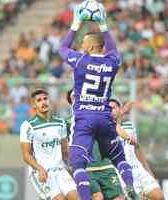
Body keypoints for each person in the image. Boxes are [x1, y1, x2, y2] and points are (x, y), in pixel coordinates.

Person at [58, 4, 136, 200]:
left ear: (92, 46)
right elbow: (113, 49)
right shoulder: (113, 62)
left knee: (78, 164)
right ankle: (130, 187)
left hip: (84, 118)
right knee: (119, 157)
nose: (82, 45)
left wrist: (76, 24)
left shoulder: (80, 60)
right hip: (104, 117)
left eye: (84, 43)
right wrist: (103, 24)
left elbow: (62, 48)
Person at [66, 90, 126, 200]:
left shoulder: (99, 115)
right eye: (74, 97)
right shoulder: (68, 123)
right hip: (87, 169)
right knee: (98, 197)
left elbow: (115, 123)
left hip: (106, 166)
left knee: (120, 198)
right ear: (71, 103)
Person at [20, 88, 79, 200]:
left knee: (76, 197)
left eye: (45, 99)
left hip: (60, 170)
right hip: (41, 171)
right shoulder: (28, 126)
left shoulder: (60, 123)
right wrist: (39, 169)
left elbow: (65, 150)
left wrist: (75, 166)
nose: (43, 102)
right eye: (39, 100)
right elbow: (26, 155)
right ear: (34, 105)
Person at [109, 99, 165, 200]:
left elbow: (137, 148)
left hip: (138, 169)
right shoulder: (106, 129)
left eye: (113, 108)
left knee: (159, 196)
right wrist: (123, 111)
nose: (110, 111)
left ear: (119, 109)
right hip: (121, 172)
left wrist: (147, 169)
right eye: (108, 109)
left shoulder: (129, 126)